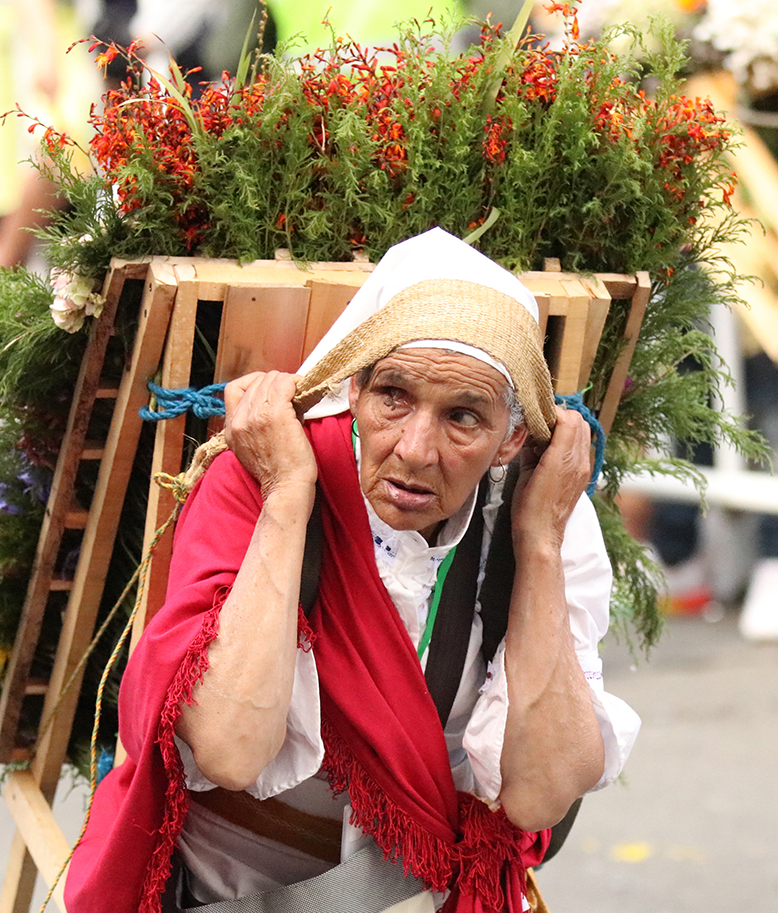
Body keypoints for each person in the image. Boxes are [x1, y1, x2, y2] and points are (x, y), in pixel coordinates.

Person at [64, 228, 641, 913]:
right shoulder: (262, 473)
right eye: (394, 396)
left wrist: (542, 542)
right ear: (355, 387)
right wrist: (287, 497)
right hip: (232, 895)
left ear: (512, 439)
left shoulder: (540, 515)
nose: (417, 449)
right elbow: (227, 750)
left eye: (463, 417)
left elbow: (541, 793)